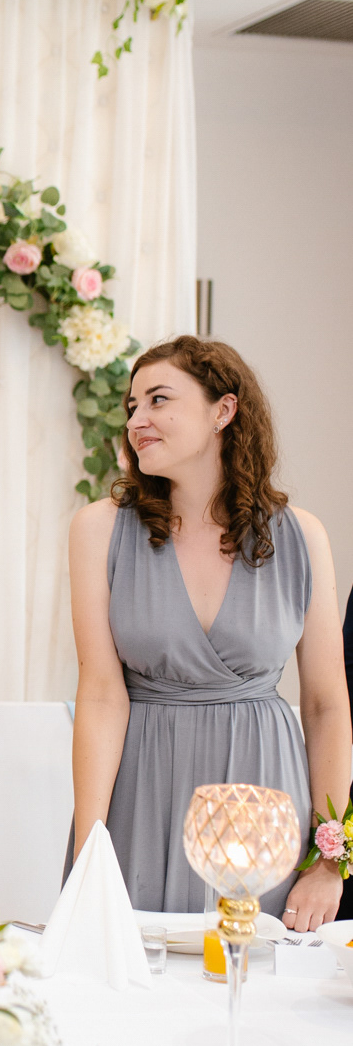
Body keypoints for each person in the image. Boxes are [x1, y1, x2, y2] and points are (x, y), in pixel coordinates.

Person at [69, 335, 350, 930]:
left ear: (223, 411)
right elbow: (100, 695)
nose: (136, 421)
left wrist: (331, 862)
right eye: (132, 406)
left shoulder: (303, 537)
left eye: (158, 400)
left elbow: (326, 706)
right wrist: (90, 852)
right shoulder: (99, 530)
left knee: (256, 978)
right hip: (144, 794)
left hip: (264, 807)